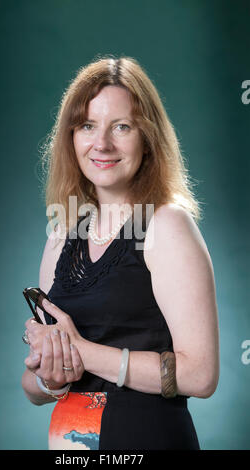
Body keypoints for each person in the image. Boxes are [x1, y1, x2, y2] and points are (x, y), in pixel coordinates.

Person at [21, 56, 220, 450]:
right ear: (71, 137)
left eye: (122, 127)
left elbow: (201, 375)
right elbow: (32, 386)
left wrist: (84, 353)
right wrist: (51, 375)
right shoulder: (62, 234)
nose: (102, 144)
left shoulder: (168, 224)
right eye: (88, 126)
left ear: (148, 137)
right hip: (72, 445)